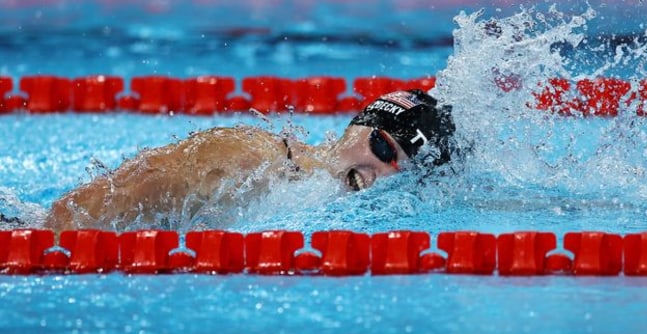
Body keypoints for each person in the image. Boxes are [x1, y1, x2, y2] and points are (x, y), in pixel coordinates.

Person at [42, 89, 457, 232]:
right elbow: (76, 213)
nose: (379, 172)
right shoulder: (246, 158)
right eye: (383, 148)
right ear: (357, 125)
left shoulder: (332, 206)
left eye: (399, 169)